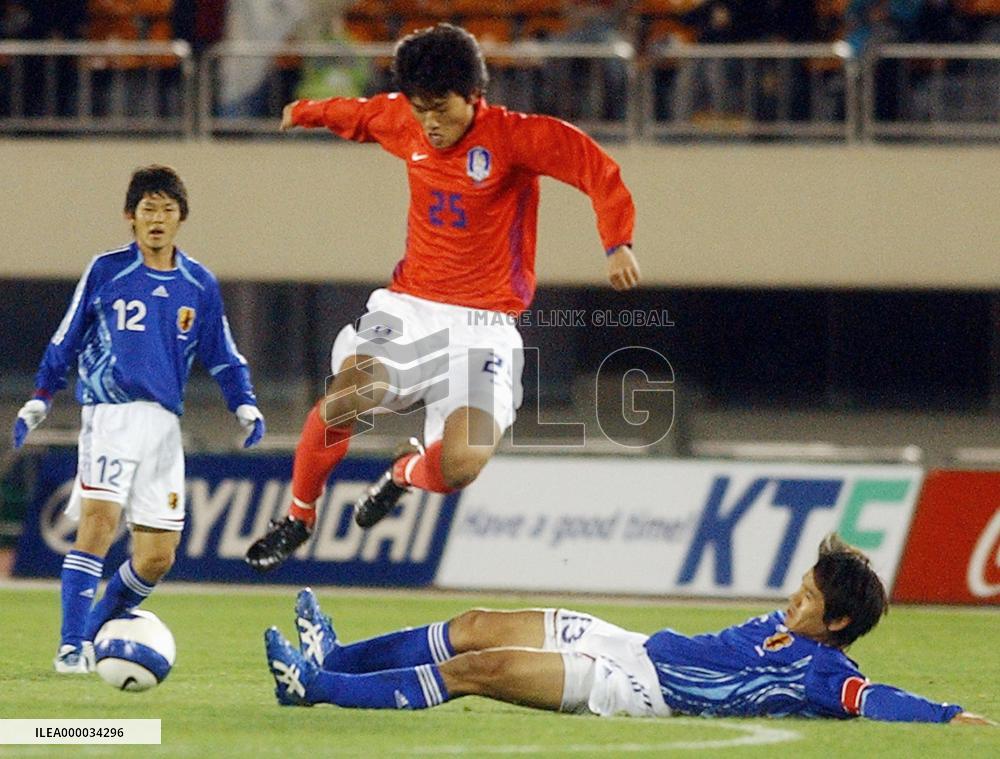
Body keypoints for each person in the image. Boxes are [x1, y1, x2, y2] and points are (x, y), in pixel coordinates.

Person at [245, 23, 640, 571]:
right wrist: (306, 110)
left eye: (441, 109)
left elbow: (597, 169)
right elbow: (358, 116)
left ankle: (404, 472)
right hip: (409, 311)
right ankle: (299, 516)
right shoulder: (404, 119)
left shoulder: (516, 137)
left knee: (461, 465)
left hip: (486, 330)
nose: (429, 122)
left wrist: (617, 242)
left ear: (473, 95)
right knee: (346, 398)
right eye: (420, 108)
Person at [264, 534, 993, 724]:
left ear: (836, 622)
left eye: (807, 598)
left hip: (631, 688)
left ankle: (317, 686)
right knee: (475, 624)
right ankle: (336, 653)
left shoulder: (825, 671)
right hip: (628, 642)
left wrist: (947, 713)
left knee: (478, 672)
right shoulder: (793, 626)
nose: (791, 599)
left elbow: (875, 698)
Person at [12, 164, 266, 673]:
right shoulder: (108, 270)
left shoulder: (199, 283)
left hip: (163, 427)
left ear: (180, 219)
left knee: (157, 556)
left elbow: (222, 352)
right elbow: (67, 335)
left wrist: (244, 402)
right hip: (111, 415)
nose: (157, 219)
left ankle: (93, 631)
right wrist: (40, 397)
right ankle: (70, 646)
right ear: (130, 217)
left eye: (167, 210)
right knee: (100, 524)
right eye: (148, 209)